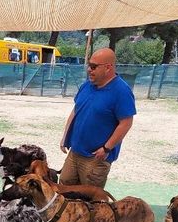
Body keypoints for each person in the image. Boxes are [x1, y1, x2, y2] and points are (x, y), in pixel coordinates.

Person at [58, 48, 136, 189]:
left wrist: (106, 148)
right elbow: (76, 110)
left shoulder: (121, 91)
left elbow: (126, 123)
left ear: (108, 68)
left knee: (90, 200)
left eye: (93, 66)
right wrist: (65, 136)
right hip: (75, 152)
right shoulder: (87, 85)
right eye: (88, 65)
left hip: (96, 158)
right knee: (64, 188)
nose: (89, 69)